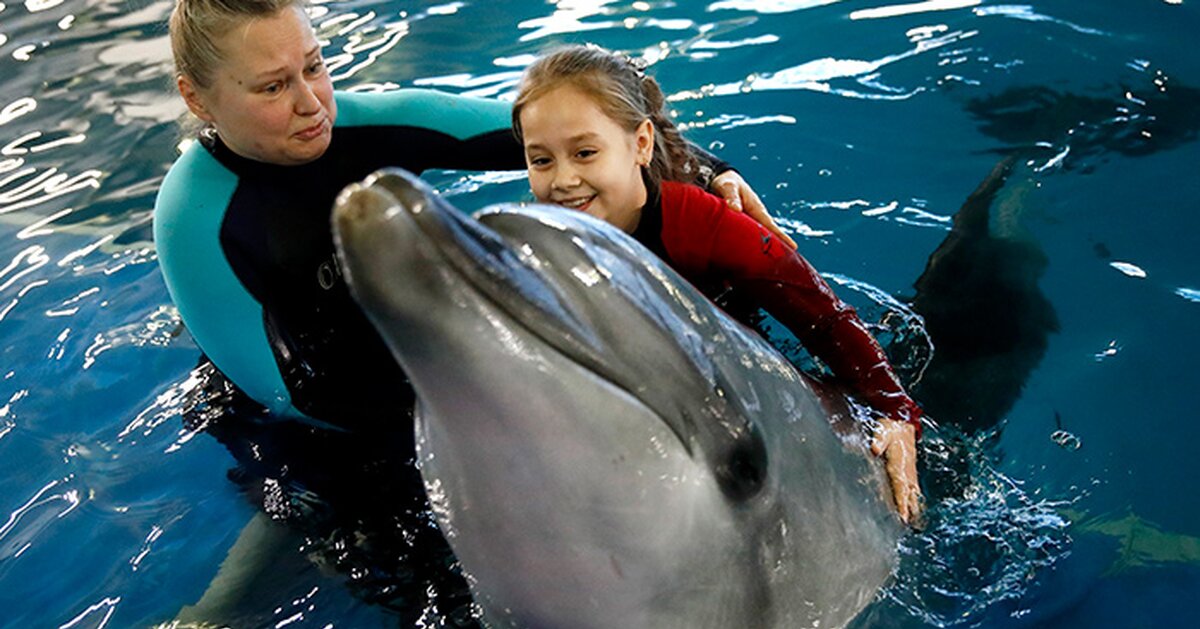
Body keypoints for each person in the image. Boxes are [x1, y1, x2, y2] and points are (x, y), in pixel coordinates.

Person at [155, 0, 788, 437]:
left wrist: (709, 171)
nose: (311, 103)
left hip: (416, 355)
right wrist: (484, 413)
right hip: (307, 420)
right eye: (272, 88)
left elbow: (564, 131)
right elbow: (288, 399)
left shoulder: (364, 123)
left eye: (314, 67)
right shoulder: (194, 219)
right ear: (196, 96)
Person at [511, 44, 925, 525]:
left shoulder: (703, 225)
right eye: (541, 161)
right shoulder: (550, 235)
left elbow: (825, 320)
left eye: (585, 153)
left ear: (641, 144)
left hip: (735, 378)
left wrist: (896, 414)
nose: (563, 181)